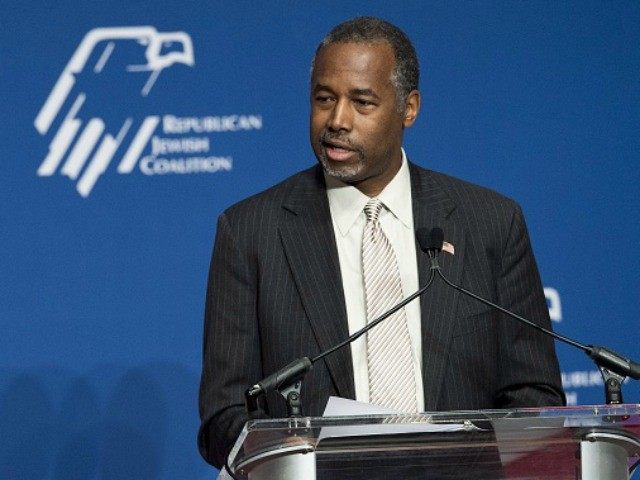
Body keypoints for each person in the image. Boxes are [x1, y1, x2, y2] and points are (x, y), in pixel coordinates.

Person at [198, 16, 565, 468]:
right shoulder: (251, 231)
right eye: (324, 99)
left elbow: (535, 396)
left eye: (362, 102)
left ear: (408, 108)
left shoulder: (489, 223)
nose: (337, 120)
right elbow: (223, 419)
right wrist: (302, 461)